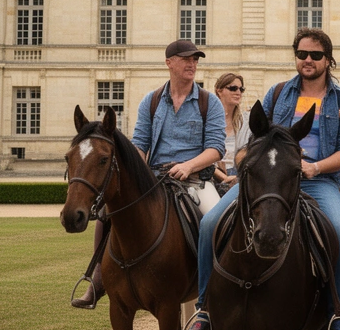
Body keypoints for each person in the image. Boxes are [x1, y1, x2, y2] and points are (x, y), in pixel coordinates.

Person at [180, 28, 340, 330]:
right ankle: (204, 311)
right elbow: (255, 142)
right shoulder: (278, 94)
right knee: (209, 224)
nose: (307, 60)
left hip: (318, 180)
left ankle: (339, 316)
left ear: (328, 61)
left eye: (315, 55)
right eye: (302, 54)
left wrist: (314, 167)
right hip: (271, 179)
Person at [73, 39, 226, 309]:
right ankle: (98, 279)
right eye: (186, 59)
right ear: (169, 63)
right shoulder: (151, 101)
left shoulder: (208, 102)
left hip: (195, 180)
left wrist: (188, 165)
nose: (192, 64)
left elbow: (216, 148)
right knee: (107, 213)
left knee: (217, 223)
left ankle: (221, 290)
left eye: (195, 59)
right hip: (153, 178)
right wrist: (136, 174)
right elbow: (140, 146)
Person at [212, 72, 251, 194]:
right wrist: (224, 177)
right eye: (233, 88)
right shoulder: (209, 119)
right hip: (212, 176)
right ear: (219, 91)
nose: (238, 92)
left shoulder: (247, 121)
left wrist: (237, 177)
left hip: (241, 176)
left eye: (241, 89)